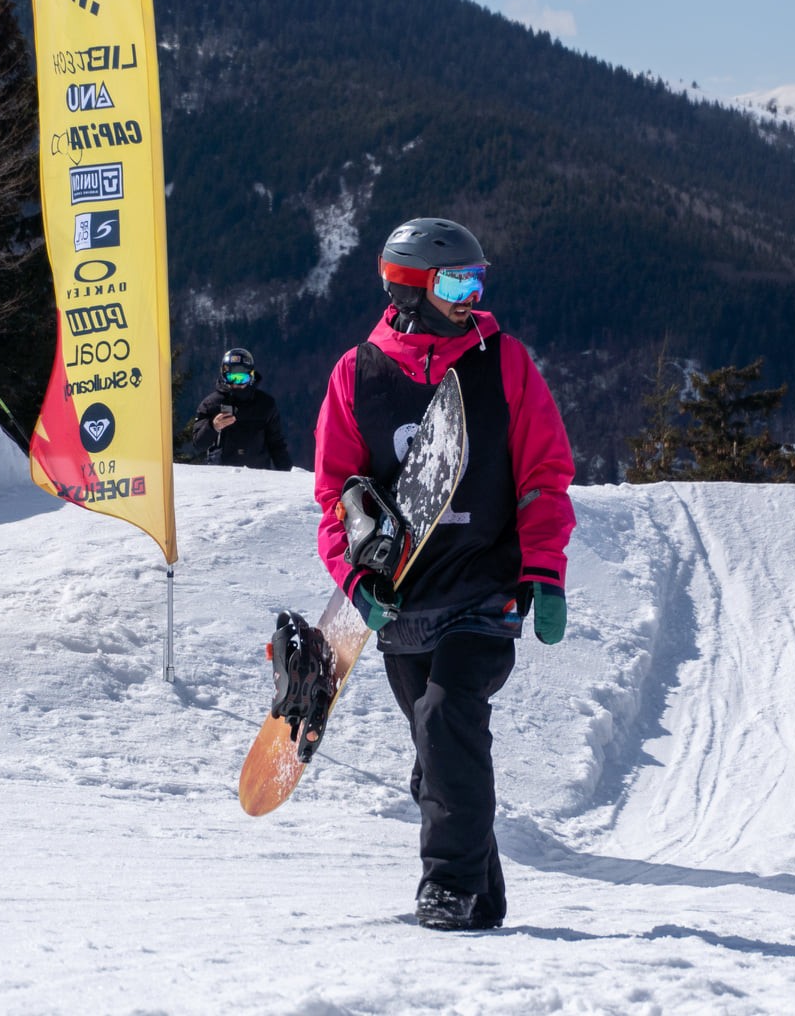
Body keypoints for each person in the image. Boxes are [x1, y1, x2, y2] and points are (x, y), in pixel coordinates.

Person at [313, 217, 576, 931]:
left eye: (478, 279)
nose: (473, 294)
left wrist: (545, 574)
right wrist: (356, 580)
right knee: (440, 753)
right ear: (410, 287)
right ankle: (483, 898)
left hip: (486, 591)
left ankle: (446, 889)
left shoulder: (503, 362)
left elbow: (544, 478)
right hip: (405, 604)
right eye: (458, 280)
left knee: (447, 713)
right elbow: (337, 496)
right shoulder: (357, 374)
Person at [191, 347, 293, 470]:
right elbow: (198, 444)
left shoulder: (265, 404)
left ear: (251, 377)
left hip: (259, 476)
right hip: (220, 477)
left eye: (242, 378)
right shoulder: (212, 404)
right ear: (223, 376)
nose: (237, 384)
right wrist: (213, 426)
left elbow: (276, 444)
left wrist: (288, 473)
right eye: (232, 378)